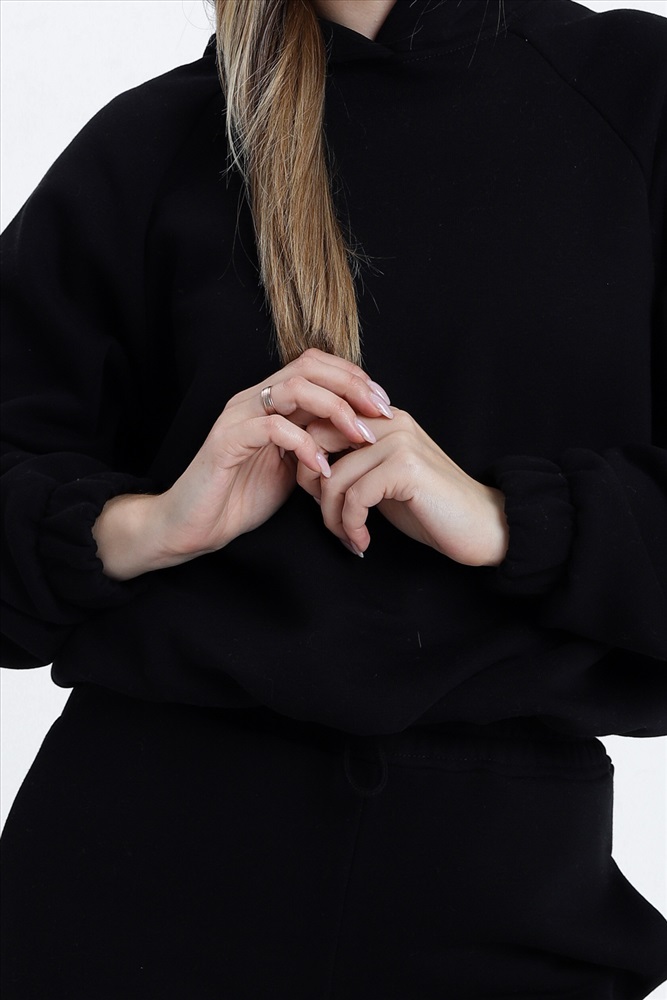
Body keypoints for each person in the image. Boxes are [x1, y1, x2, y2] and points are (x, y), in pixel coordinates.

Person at [1, 0, 667, 996]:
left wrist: (513, 520)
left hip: (501, 899)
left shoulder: (632, 95)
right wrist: (146, 525)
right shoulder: (157, 140)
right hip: (121, 890)